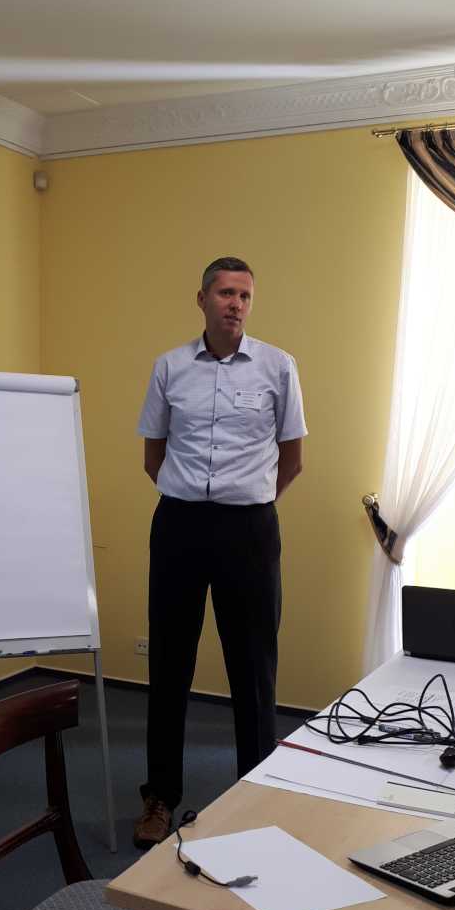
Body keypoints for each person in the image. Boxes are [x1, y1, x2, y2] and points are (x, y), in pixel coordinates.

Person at [134, 256, 307, 850]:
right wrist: (192, 498)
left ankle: (254, 795)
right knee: (169, 664)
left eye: (245, 295)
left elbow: (292, 458)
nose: (236, 304)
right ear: (202, 299)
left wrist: (248, 501)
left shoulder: (279, 367)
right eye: (226, 293)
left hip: (249, 530)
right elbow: (154, 454)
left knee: (253, 668)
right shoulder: (170, 367)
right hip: (180, 525)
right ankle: (160, 796)